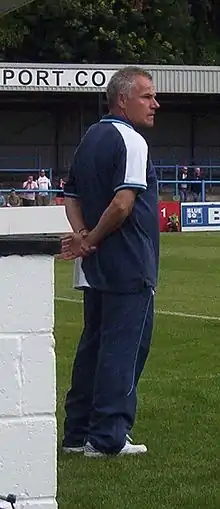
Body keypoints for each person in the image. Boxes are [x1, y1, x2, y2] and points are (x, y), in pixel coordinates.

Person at [61, 66, 160, 458]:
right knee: (124, 349)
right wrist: (94, 238)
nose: (156, 103)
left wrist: (83, 238)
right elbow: (123, 202)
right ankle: (107, 439)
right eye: (147, 96)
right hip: (129, 263)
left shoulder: (90, 137)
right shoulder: (132, 141)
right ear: (122, 99)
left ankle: (76, 433)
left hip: (96, 266)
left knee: (94, 347)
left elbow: (70, 195)